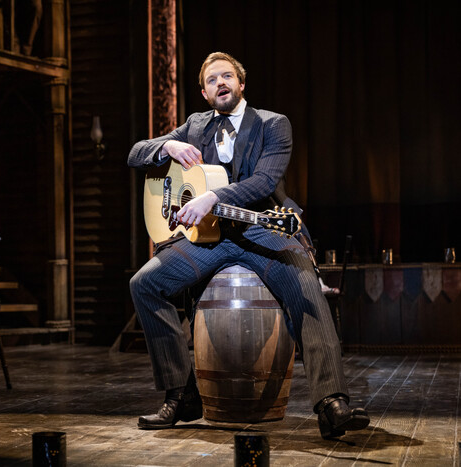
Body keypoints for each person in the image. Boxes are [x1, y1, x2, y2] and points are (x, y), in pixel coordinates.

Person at [127, 52, 369, 439]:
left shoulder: (274, 124)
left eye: (227, 76)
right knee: (144, 284)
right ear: (204, 93)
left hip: (264, 231)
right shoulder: (194, 126)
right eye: (212, 80)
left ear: (241, 84)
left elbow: (264, 181)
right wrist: (166, 148)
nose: (220, 83)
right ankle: (182, 394)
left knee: (307, 291)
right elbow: (135, 154)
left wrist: (212, 196)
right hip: (209, 238)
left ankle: (330, 403)